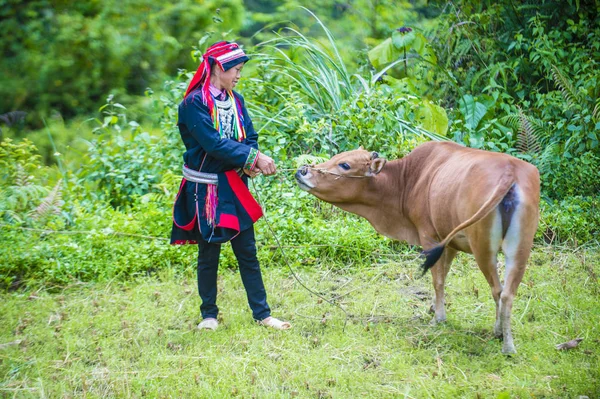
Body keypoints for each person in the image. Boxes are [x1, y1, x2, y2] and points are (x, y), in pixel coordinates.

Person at [170, 41, 291, 331]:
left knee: (247, 250)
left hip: (234, 185)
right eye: (235, 70)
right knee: (209, 252)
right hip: (206, 190)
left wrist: (251, 159)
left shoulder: (235, 100)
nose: (238, 76)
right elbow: (212, 144)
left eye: (240, 70)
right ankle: (208, 315)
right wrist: (255, 157)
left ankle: (262, 314)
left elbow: (249, 135)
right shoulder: (193, 104)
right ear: (218, 67)